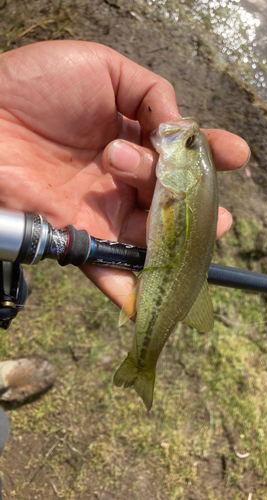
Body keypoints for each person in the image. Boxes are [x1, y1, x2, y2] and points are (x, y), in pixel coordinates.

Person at [0, 39, 251, 488]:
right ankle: (141, 362)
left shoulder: (179, 193)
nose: (184, 135)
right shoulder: (176, 191)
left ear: (187, 181)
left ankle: (142, 363)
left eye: (190, 146)